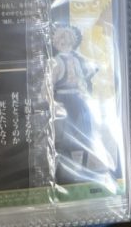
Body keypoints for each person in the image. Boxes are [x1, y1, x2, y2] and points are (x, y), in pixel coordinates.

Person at [51, 24, 98, 180]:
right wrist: (52, 102)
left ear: (73, 43)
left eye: (68, 43)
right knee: (64, 137)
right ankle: (64, 171)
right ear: (57, 44)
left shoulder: (76, 60)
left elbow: (81, 80)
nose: (65, 46)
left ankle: (82, 168)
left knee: (83, 134)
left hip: (78, 99)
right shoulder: (56, 62)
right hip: (62, 101)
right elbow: (49, 85)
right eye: (62, 43)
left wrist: (84, 88)